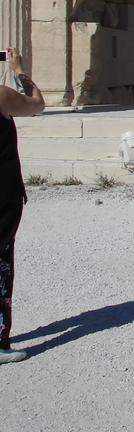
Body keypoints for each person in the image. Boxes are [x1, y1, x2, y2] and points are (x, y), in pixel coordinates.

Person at [0, 47, 46, 364]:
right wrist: (19, 70)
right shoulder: (2, 96)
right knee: (1, 264)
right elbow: (37, 104)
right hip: (3, 194)